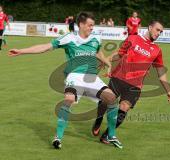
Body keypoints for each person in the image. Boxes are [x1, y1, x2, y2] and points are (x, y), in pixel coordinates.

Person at [9, 12, 122, 149]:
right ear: (81, 24)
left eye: (93, 25)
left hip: (92, 78)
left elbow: (98, 52)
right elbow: (45, 47)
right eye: (90, 25)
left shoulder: (96, 39)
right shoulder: (69, 38)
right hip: (74, 76)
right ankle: (58, 137)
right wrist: (22, 51)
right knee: (69, 100)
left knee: (112, 99)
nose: (92, 28)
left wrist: (107, 63)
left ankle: (111, 135)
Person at [92, 20, 170, 145]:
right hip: (119, 77)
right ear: (150, 27)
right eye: (157, 30)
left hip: (135, 85)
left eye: (161, 32)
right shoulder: (132, 38)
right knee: (105, 101)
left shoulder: (157, 50)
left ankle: (106, 135)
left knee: (124, 108)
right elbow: (119, 54)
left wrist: (168, 90)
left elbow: (161, 72)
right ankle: (98, 120)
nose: (159, 33)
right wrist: (105, 60)